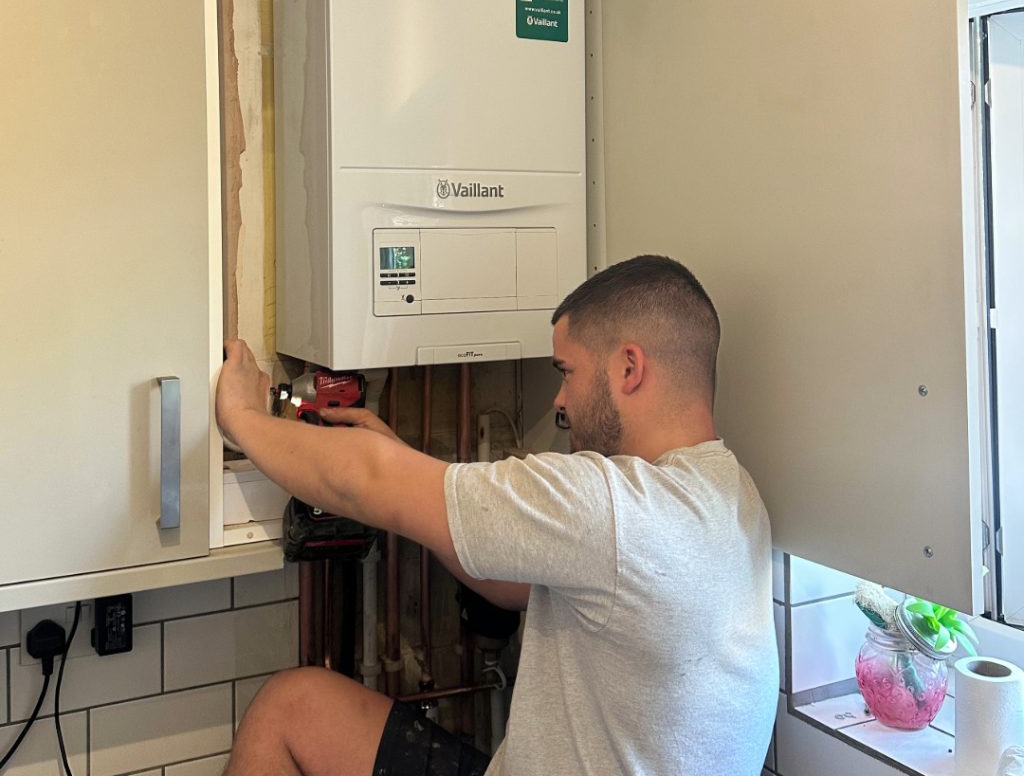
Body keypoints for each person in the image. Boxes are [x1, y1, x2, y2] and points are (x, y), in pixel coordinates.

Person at [216, 254, 778, 776]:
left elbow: (365, 479)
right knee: (295, 705)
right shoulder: (728, 497)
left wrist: (240, 414)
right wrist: (411, 475)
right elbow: (515, 587)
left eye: (567, 371)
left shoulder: (613, 507)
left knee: (280, 714)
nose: (559, 400)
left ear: (628, 368)